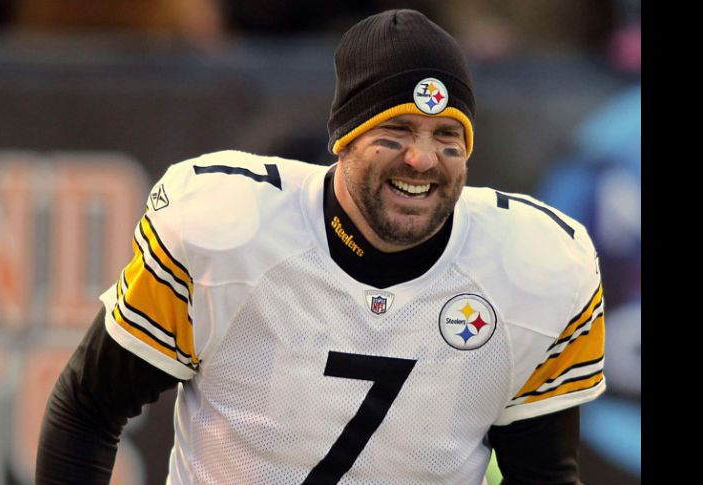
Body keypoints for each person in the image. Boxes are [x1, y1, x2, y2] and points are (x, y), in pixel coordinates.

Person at [36, 9, 606, 485]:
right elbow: (89, 409)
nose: (422, 159)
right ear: (343, 138)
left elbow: (544, 476)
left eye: (447, 137)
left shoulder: (537, 266)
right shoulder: (227, 229)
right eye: (396, 132)